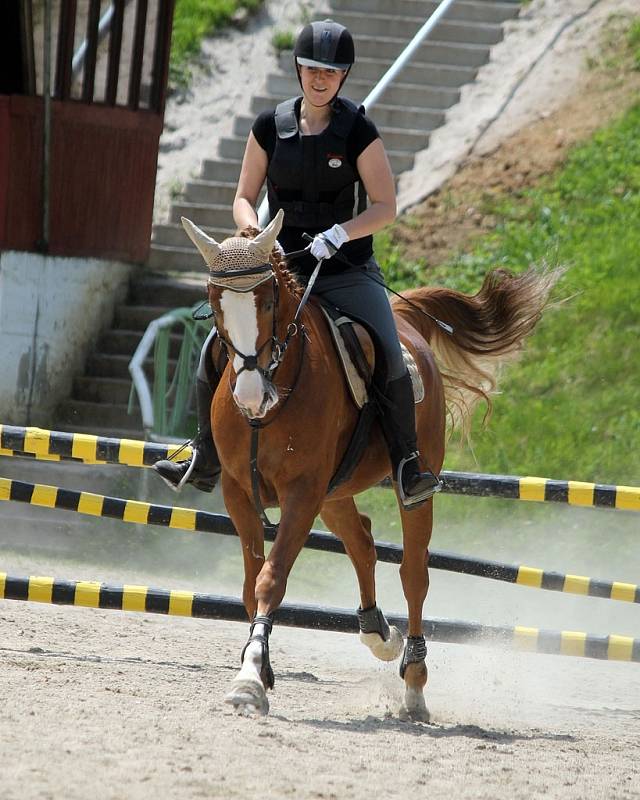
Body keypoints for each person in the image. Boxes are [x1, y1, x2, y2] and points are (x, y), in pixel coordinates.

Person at [154, 19, 441, 507]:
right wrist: (252, 234)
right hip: (283, 268)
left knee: (390, 351)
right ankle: (204, 453)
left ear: (344, 76)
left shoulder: (358, 131)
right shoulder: (269, 126)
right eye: (311, 68)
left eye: (330, 71)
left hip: (346, 270)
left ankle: (406, 461)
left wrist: (341, 233)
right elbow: (244, 197)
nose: (319, 78)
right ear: (298, 69)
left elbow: (385, 205)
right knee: (213, 347)